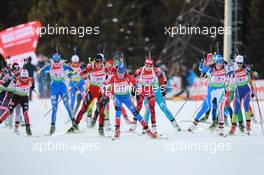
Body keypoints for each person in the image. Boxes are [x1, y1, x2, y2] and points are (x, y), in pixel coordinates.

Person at [104, 64, 156, 138]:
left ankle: (147, 130)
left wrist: (135, 91)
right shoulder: (113, 77)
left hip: (126, 98)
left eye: (122, 73)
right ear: (117, 72)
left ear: (124, 72)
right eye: (119, 73)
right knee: (118, 112)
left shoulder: (128, 77)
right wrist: (106, 89)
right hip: (117, 97)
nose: (120, 75)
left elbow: (137, 83)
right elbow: (105, 83)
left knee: (136, 113)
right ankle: (117, 130)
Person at [188, 54, 229, 136]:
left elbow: (236, 68)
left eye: (221, 62)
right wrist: (202, 62)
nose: (219, 64)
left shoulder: (226, 68)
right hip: (212, 90)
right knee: (205, 107)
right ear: (215, 62)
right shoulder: (211, 68)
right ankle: (194, 124)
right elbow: (202, 70)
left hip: (221, 91)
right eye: (218, 62)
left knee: (221, 109)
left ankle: (220, 129)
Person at [68, 53, 109, 136]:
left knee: (101, 111)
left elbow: (114, 71)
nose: (98, 63)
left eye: (100, 62)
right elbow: (82, 73)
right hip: (91, 91)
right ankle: (75, 125)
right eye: (97, 61)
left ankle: (100, 129)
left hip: (100, 92)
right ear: (95, 61)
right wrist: (73, 74)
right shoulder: (91, 67)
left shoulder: (105, 68)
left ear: (102, 61)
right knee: (83, 109)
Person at [38, 53, 75, 135]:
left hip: (62, 87)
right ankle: (52, 127)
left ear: (60, 59)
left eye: (58, 61)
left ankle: (74, 123)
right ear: (53, 60)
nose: (56, 62)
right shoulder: (50, 66)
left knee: (67, 105)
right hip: (54, 88)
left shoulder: (63, 66)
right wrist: (40, 73)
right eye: (55, 61)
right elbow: (40, 70)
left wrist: (70, 74)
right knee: (54, 107)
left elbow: (73, 69)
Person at [132, 57, 166, 134]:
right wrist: (133, 88)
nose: (148, 68)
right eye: (147, 66)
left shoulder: (155, 70)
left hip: (150, 90)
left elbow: (161, 78)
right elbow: (133, 77)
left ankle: (153, 126)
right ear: (145, 65)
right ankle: (134, 124)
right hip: (142, 89)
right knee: (139, 107)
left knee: (152, 108)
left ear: (152, 65)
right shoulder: (141, 69)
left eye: (150, 66)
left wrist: (163, 90)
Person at [0, 69, 34, 136]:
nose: (24, 79)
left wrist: (33, 86)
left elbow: (33, 82)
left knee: (25, 112)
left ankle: (28, 129)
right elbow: (9, 87)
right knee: (9, 111)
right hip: (16, 97)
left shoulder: (30, 79)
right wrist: (3, 85)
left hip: (24, 98)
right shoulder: (17, 80)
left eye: (26, 77)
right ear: (21, 76)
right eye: (23, 77)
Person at [229, 55, 254, 135]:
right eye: (238, 63)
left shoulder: (245, 68)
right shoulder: (233, 69)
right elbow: (227, 71)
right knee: (236, 109)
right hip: (238, 90)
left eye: (241, 63)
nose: (239, 64)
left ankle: (248, 125)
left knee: (246, 106)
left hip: (246, 90)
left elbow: (250, 79)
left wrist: (253, 91)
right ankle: (233, 127)